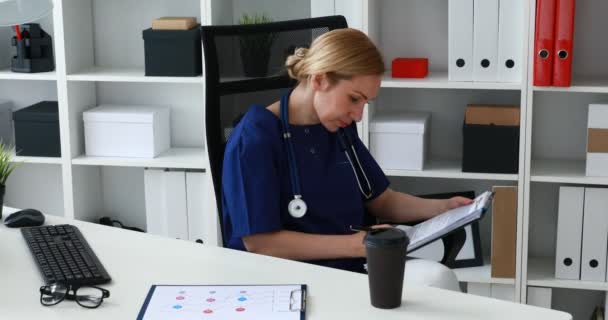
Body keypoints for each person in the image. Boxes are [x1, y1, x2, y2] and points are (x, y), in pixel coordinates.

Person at [222, 28, 472, 291]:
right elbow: (262, 244)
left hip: (352, 267)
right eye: (354, 99)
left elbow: (382, 201)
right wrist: (355, 245)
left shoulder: (337, 128)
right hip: (288, 282)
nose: (359, 115)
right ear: (319, 80)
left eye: (365, 103)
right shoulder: (254, 139)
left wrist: (444, 209)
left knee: (439, 281)